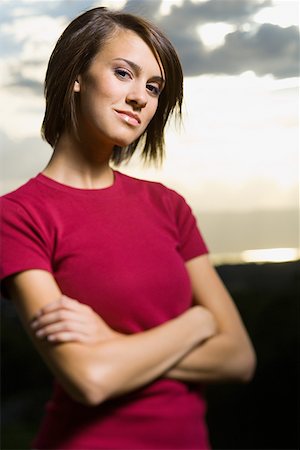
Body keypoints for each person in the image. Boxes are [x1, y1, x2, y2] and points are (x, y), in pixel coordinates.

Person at [0, 7, 256, 450]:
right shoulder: (17, 215)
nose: (140, 97)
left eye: (153, 87)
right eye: (123, 73)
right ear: (77, 75)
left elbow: (238, 358)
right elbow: (90, 378)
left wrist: (113, 343)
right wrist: (196, 323)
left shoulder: (168, 206)